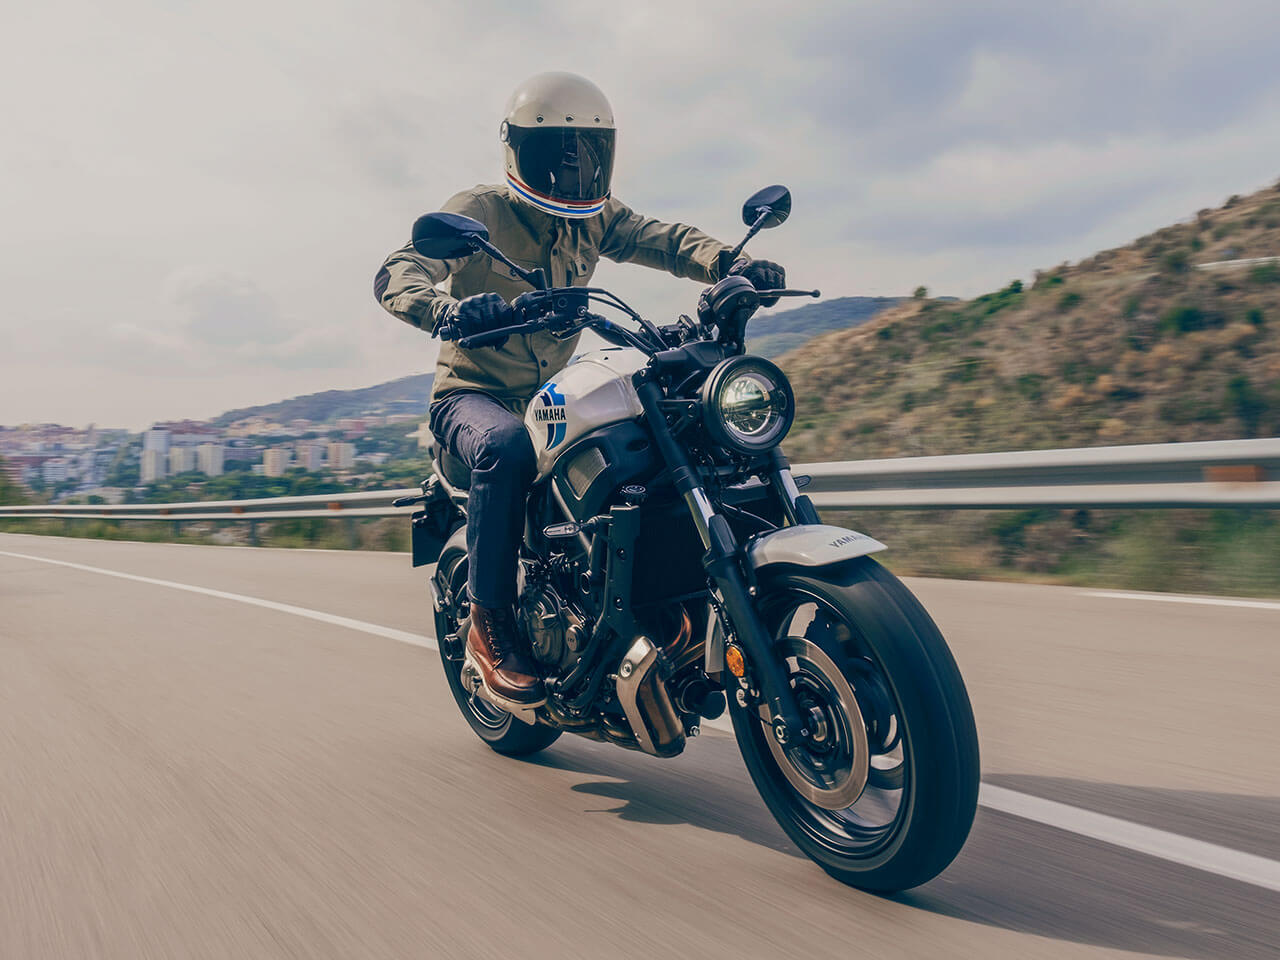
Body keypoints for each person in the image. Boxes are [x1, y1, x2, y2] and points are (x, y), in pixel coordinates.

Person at [374, 71, 784, 709]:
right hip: (474, 398)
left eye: (587, 152)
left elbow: (663, 239)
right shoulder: (481, 210)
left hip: (552, 395)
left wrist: (727, 263)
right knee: (506, 446)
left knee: (654, 429)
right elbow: (402, 269)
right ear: (518, 151)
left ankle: (659, 602)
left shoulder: (595, 219)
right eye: (558, 153)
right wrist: (446, 311)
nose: (574, 169)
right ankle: (490, 627)